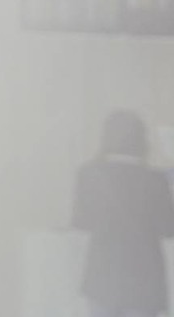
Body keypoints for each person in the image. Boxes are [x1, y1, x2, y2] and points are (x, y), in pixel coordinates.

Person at [72, 109, 174, 317]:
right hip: (145, 280)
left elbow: (81, 222)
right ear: (141, 140)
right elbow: (168, 228)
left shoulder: (88, 173)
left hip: (102, 277)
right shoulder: (155, 180)